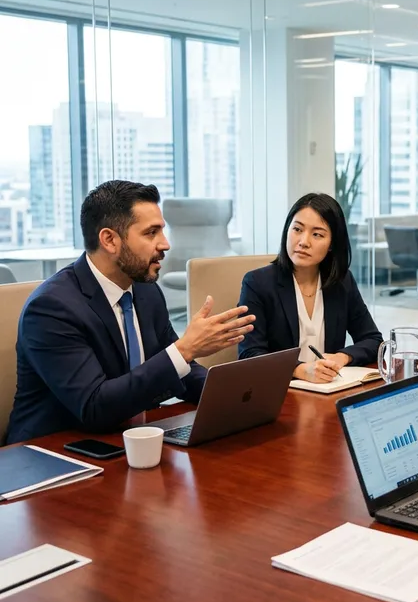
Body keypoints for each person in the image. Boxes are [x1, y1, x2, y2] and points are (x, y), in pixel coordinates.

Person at [6, 180, 256, 444]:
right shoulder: (51, 309)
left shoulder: (146, 292)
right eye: (151, 233)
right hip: (53, 454)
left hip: (128, 438)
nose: (165, 244)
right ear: (109, 240)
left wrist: (237, 394)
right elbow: (94, 407)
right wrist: (184, 350)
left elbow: (179, 368)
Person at [238, 193, 382, 382]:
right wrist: (299, 370)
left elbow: (373, 339)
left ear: (332, 244)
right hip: (280, 392)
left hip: (328, 390)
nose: (304, 242)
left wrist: (341, 357)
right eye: (297, 229)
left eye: (317, 234)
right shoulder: (258, 283)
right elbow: (249, 354)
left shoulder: (341, 281)